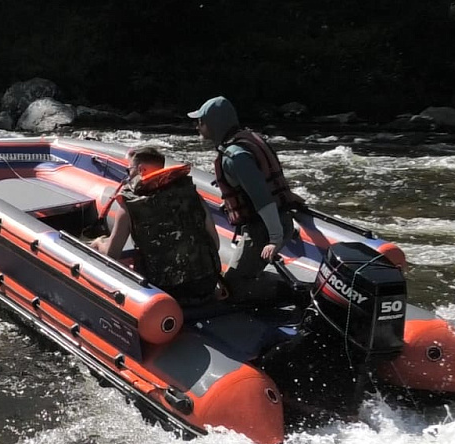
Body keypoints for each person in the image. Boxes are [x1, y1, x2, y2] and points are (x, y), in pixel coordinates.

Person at [188, 96, 305, 302]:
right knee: (237, 277)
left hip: (264, 229)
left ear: (214, 124)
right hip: (272, 221)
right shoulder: (247, 139)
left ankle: (297, 292)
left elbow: (263, 199)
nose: (197, 126)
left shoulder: (235, 157)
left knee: (232, 289)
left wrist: (274, 239)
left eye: (201, 121)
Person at [91, 146, 224, 306]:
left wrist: (99, 243)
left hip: (165, 292)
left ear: (140, 169)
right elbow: (215, 243)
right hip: (206, 284)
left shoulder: (130, 203)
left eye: (128, 171)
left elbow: (112, 254)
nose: (128, 176)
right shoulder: (191, 194)